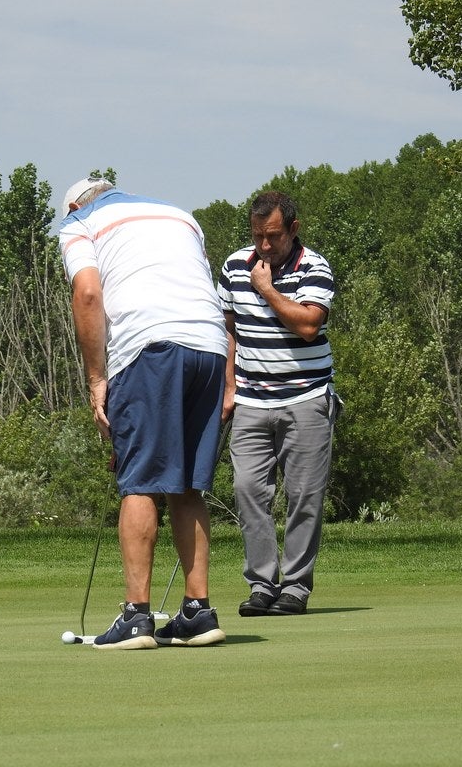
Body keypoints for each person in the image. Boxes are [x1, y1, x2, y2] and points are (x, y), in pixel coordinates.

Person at [57, 177, 229, 649]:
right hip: (210, 350)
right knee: (187, 483)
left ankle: (136, 616)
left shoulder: (79, 223)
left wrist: (97, 381)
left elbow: (88, 295)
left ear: (74, 205)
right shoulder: (179, 215)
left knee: (140, 481)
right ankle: (198, 612)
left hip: (151, 348)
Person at [217, 190, 340, 617]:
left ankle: (296, 588)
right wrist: (229, 385)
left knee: (304, 495)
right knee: (248, 489)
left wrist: (267, 290)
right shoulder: (235, 265)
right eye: (257, 237)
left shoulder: (315, 266)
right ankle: (262, 584)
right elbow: (229, 329)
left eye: (272, 236)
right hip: (251, 398)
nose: (264, 246)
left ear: (293, 228)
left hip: (306, 397)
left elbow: (308, 325)